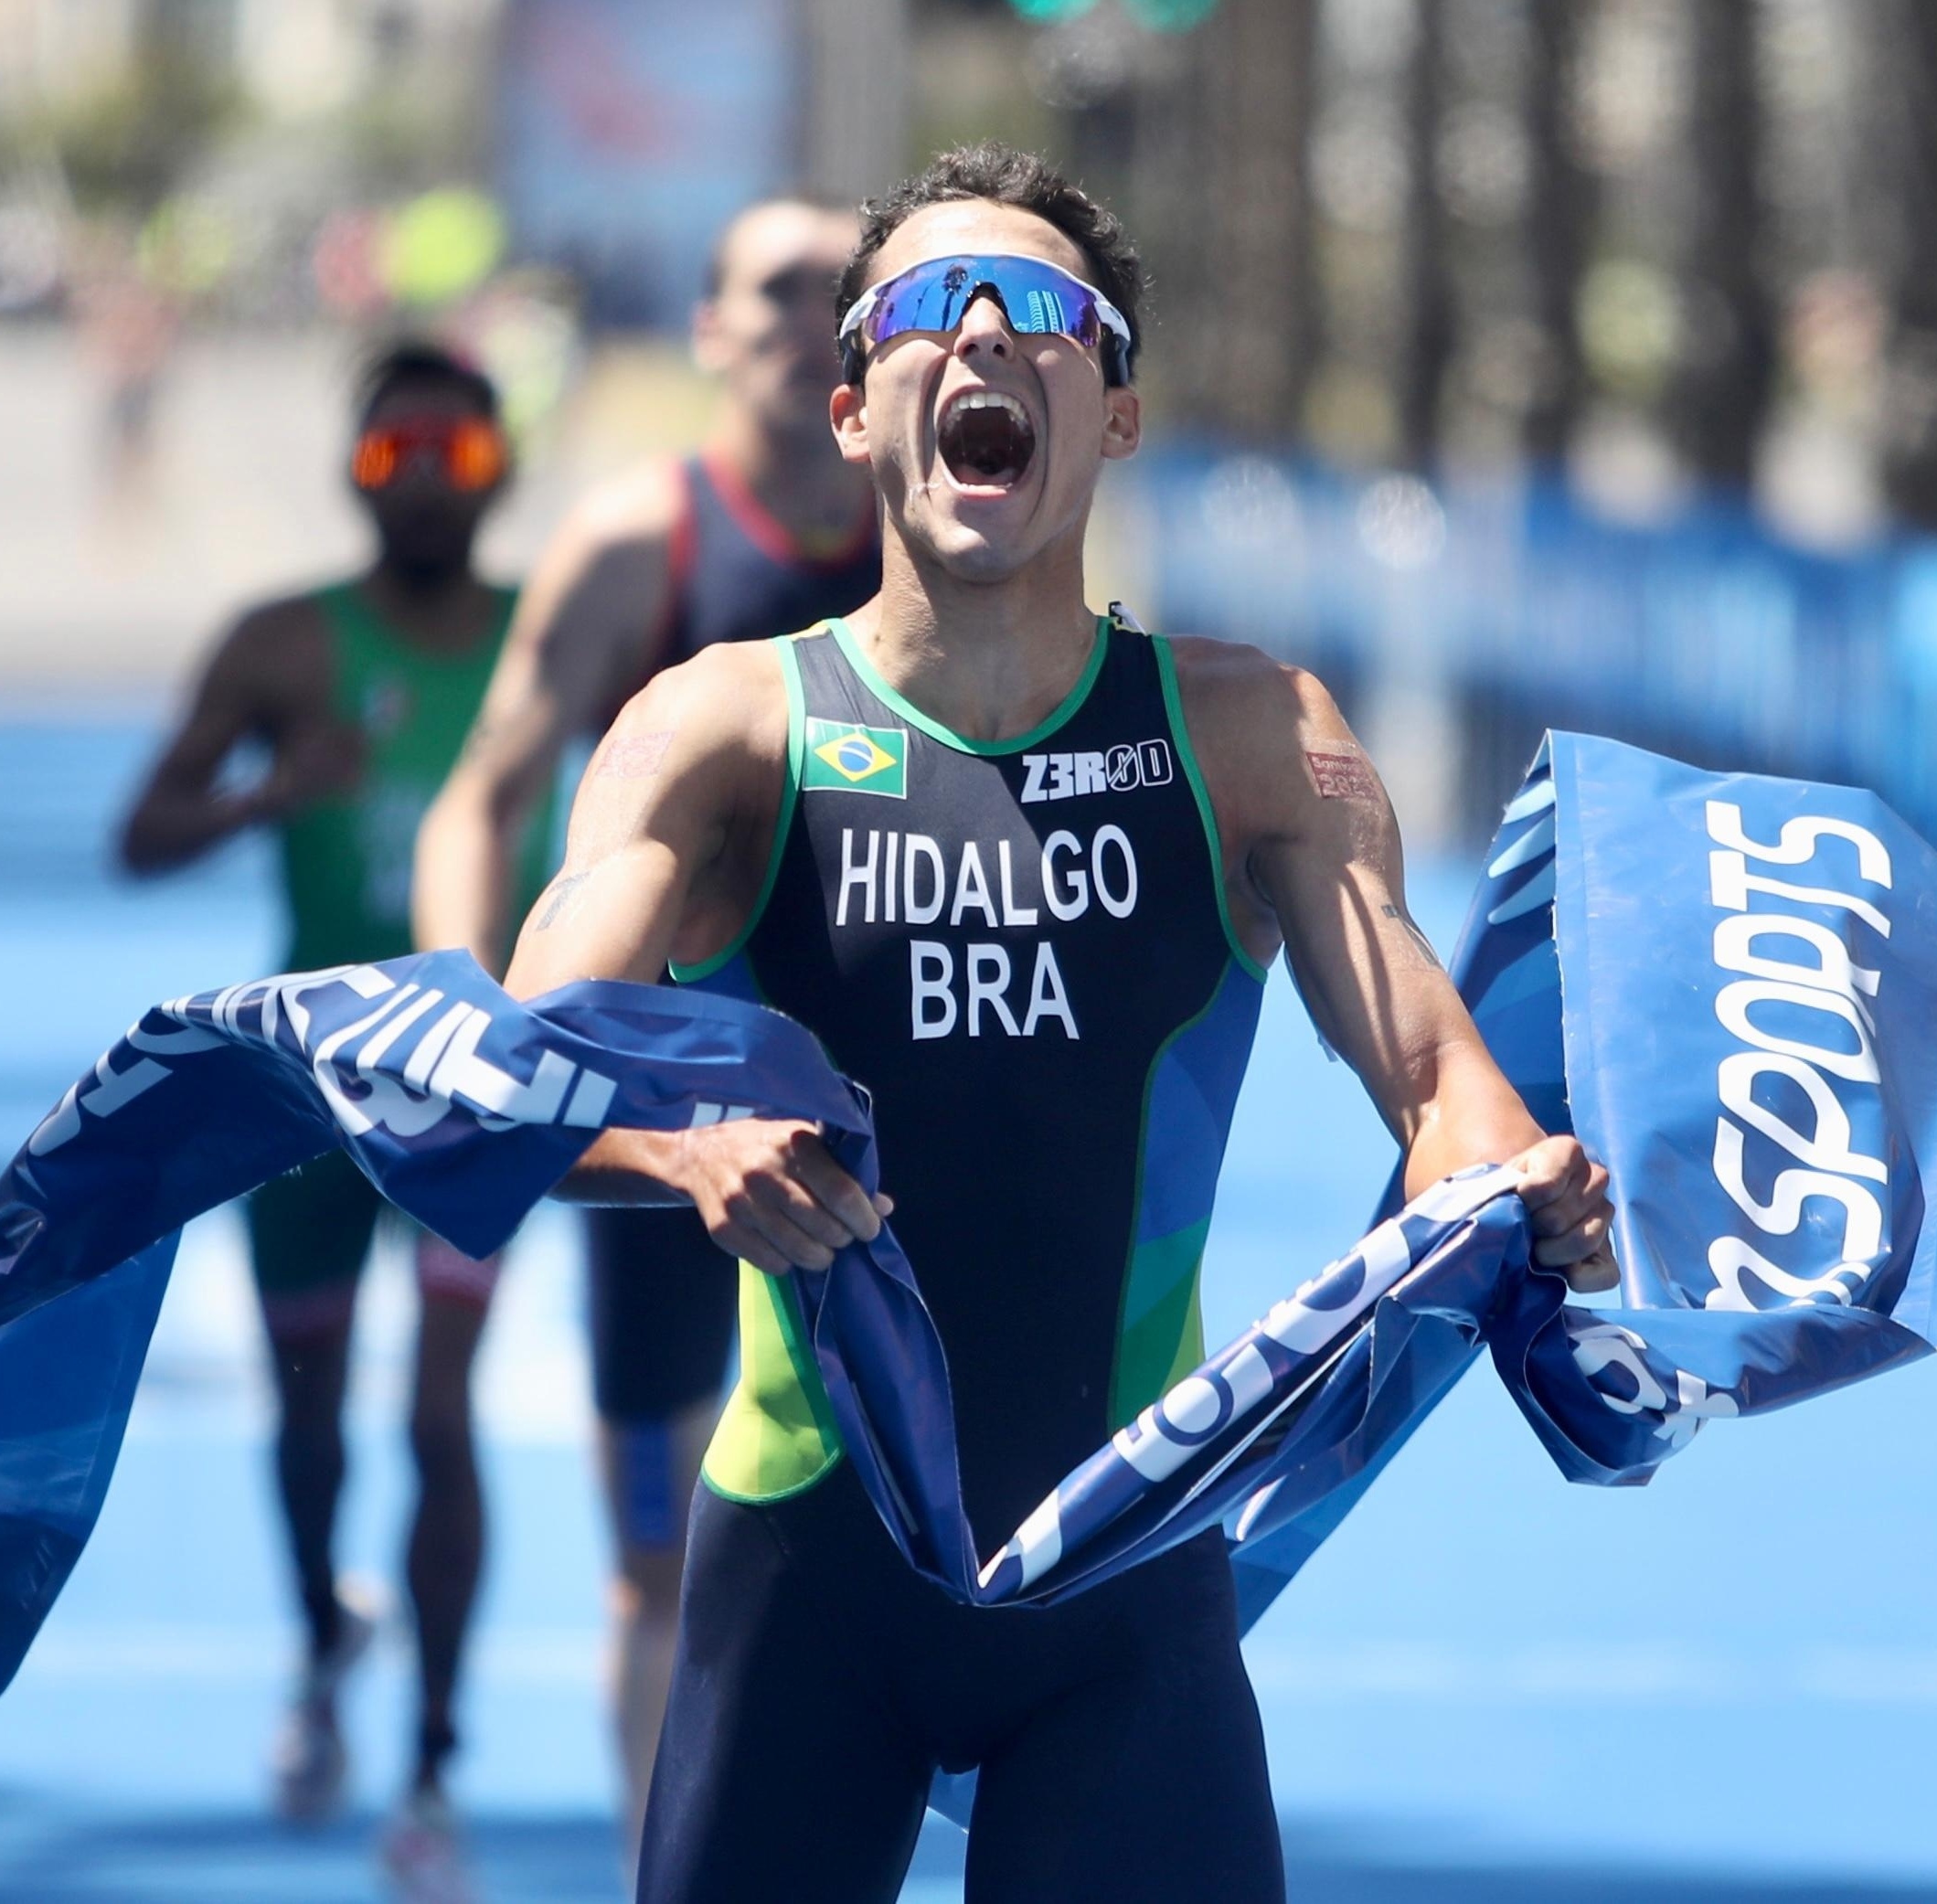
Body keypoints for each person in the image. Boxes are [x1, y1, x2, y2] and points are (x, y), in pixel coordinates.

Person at [501, 143, 1618, 1904]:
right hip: (808, 1575)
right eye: (933, 306)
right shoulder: (721, 733)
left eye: (1048, 315)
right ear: (854, 407)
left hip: (1119, 1581)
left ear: (1113, 415)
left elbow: (1432, 1075)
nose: (990, 340)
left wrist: (1518, 1178)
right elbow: (506, 1083)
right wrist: (684, 1149)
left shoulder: (1251, 735)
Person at [410, 196, 878, 1839]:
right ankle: (655, 1866)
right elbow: (481, 797)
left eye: (843, 286)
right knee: (654, 1550)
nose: (810, 311)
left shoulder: (952, 546)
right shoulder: (639, 542)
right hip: (665, 1127)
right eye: (775, 286)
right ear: (707, 329)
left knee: (926, 1542)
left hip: (887, 1111)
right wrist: (465, 1023)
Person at [118, 342, 548, 1903]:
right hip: (300, 1090)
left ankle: (431, 1766)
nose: (425, 479)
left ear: (499, 465)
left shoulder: (555, 647)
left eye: (451, 450)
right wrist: (264, 792)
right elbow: (141, 831)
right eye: (390, 457)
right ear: (350, 471)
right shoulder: (284, 646)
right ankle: (321, 1641)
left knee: (440, 1419)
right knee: (308, 1419)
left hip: (464, 1101)